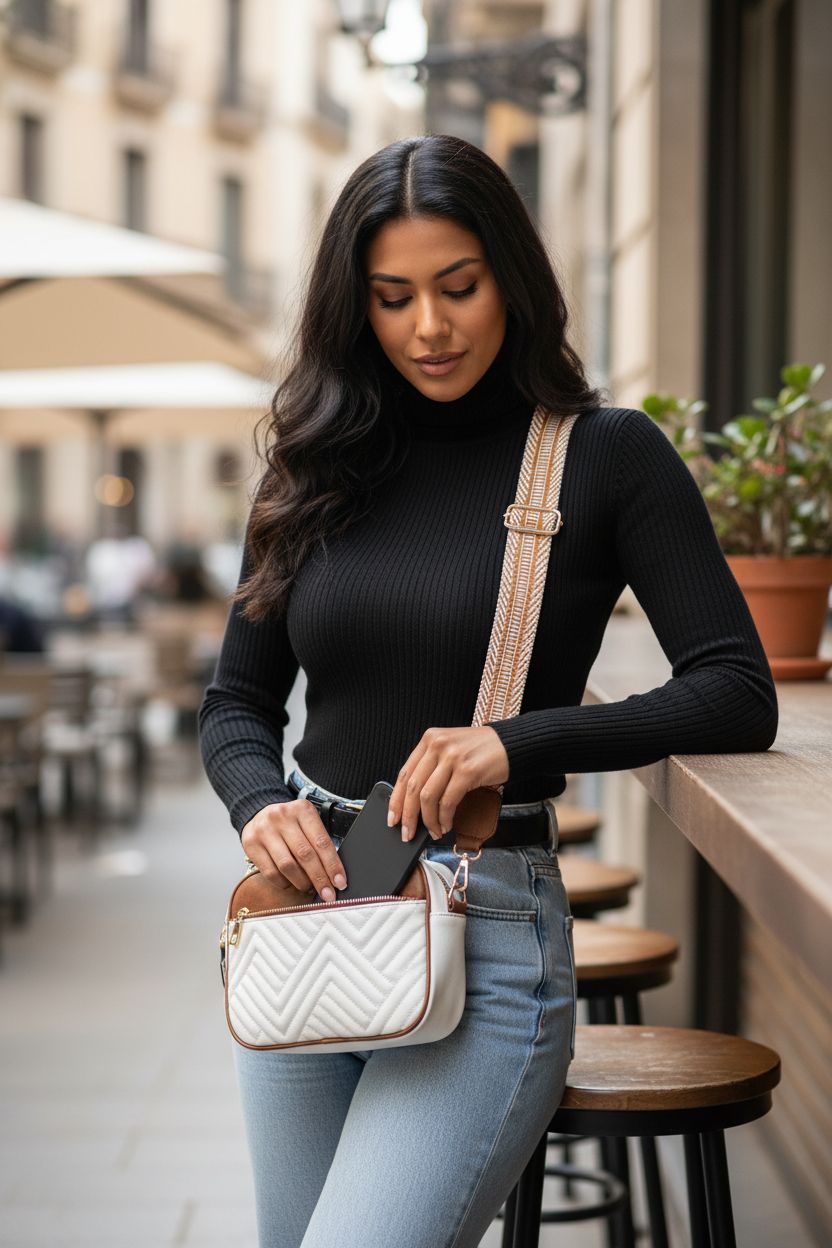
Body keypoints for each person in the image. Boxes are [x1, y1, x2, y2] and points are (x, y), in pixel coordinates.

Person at [198, 134, 778, 1248]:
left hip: (486, 924)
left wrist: (516, 742)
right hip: (308, 914)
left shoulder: (607, 457)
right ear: (356, 307)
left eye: (458, 286)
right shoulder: (313, 467)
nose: (430, 326)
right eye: (394, 297)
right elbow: (236, 702)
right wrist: (257, 802)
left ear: (512, 277)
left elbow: (736, 690)